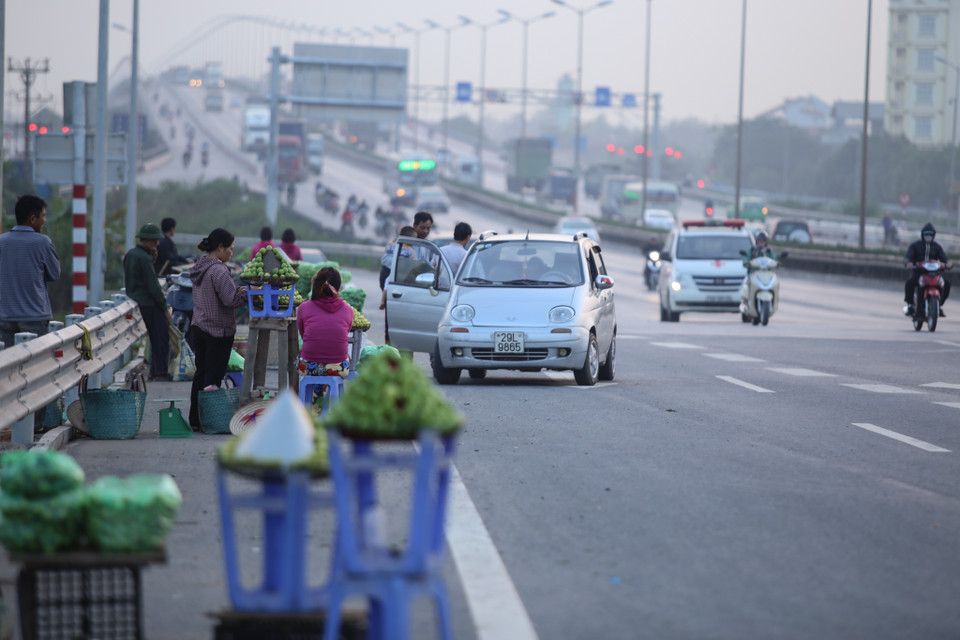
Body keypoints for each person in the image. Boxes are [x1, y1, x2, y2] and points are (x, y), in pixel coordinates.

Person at [188, 229, 248, 430]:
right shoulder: (219, 270)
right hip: (217, 331)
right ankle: (210, 420)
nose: (231, 253)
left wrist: (237, 290)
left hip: (199, 326)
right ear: (220, 247)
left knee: (201, 374)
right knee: (213, 377)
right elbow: (230, 300)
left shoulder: (200, 266)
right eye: (230, 249)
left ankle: (196, 420)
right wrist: (250, 292)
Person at [0, 195, 61, 350]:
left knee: (8, 367)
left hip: (5, 317)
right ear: (33, 219)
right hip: (34, 318)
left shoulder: (2, 242)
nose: (45, 220)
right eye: (43, 216)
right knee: (34, 368)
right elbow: (55, 274)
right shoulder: (43, 243)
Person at [296, 267, 356, 407]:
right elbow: (342, 335)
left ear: (316, 284)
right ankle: (326, 405)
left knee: (301, 358)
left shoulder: (304, 308)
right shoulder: (348, 310)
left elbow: (304, 335)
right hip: (339, 367)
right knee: (347, 357)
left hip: (308, 367)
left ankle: (311, 403)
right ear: (339, 286)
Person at [123, 223, 172, 381]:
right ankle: (160, 372)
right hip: (149, 303)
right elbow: (153, 285)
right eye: (156, 241)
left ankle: (154, 371)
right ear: (150, 241)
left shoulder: (132, 254)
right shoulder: (143, 258)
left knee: (154, 337)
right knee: (160, 338)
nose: (158, 243)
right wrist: (164, 308)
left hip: (137, 299)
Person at [904, 223, 952, 317]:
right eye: (926, 234)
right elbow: (908, 257)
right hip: (919, 272)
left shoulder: (937, 247)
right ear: (922, 234)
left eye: (930, 234)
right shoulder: (916, 246)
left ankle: (939, 305)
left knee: (946, 284)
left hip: (934, 274)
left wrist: (947, 263)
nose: (928, 236)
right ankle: (910, 305)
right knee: (909, 283)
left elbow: (944, 258)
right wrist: (908, 262)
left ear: (933, 235)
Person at [438, 222, 472, 289]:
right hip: (454, 291)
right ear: (468, 238)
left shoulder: (439, 251)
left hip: (437, 291)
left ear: (454, 235)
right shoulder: (466, 255)